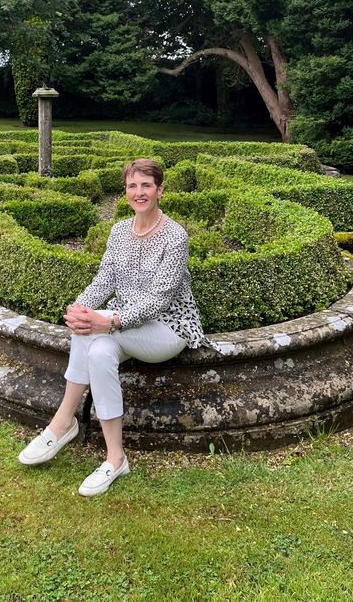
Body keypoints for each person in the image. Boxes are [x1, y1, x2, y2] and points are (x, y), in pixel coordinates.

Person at [18, 157, 210, 496]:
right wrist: (79, 307)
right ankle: (115, 457)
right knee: (99, 346)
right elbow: (103, 280)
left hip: (167, 328)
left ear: (160, 190)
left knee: (96, 330)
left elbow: (159, 300)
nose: (139, 192)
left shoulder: (175, 237)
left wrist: (109, 320)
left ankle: (61, 423)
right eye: (132, 186)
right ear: (125, 192)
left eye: (146, 185)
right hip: (121, 325)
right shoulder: (119, 230)